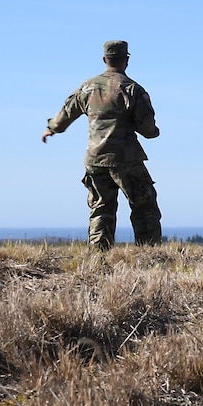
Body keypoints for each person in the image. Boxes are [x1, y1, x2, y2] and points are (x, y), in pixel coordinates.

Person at [43, 40, 163, 250]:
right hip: (126, 159)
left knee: (101, 208)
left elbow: (65, 115)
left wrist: (51, 128)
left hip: (95, 158)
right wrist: (154, 131)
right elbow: (148, 129)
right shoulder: (132, 89)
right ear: (126, 60)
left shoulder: (87, 87)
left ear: (104, 59)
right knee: (144, 206)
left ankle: (99, 257)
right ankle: (149, 254)